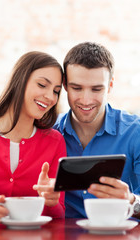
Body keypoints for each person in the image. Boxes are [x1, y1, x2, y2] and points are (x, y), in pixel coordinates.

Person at [53, 42, 140, 218]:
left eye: (96, 89)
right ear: (65, 85)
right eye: (77, 88)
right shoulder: (50, 133)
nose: (86, 100)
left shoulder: (135, 133)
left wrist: (131, 201)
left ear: (110, 85)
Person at [0, 51, 67, 228]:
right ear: (20, 80)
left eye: (56, 91)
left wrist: (51, 201)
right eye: (42, 85)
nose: (50, 97)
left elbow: (59, 215)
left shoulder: (55, 142)